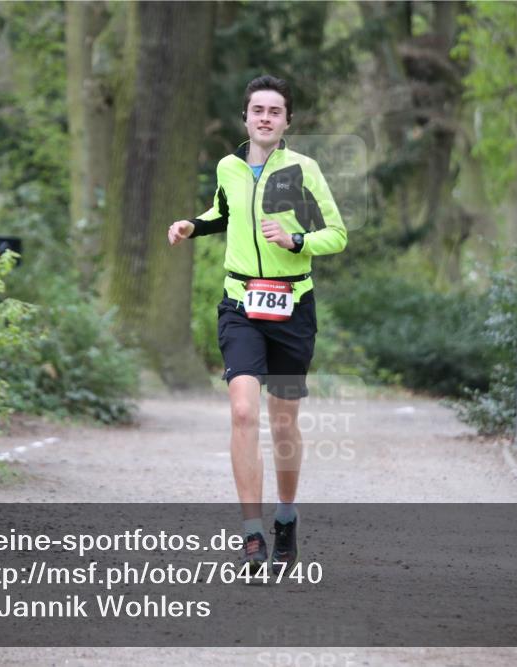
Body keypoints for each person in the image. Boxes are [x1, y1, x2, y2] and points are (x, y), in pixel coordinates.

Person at [167, 75, 347, 575]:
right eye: (257, 110)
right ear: (245, 118)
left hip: (293, 311)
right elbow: (224, 211)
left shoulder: (303, 169)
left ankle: (285, 517)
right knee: (244, 412)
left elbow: (337, 234)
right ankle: (252, 534)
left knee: (283, 421)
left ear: (287, 121)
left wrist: (296, 241)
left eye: (275, 111)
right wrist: (191, 225)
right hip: (240, 303)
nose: (265, 117)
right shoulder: (229, 166)